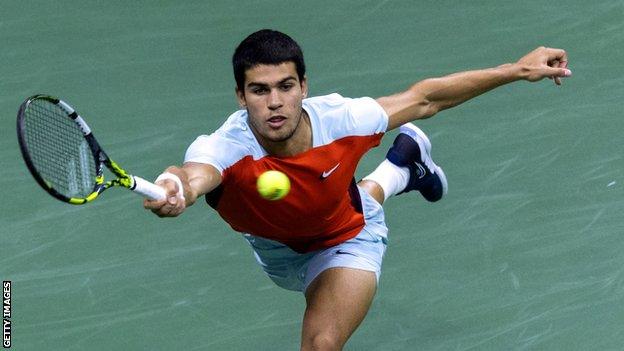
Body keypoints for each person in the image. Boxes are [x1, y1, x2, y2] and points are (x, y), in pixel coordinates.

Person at [144, 29, 570, 350]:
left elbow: (425, 100)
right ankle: (402, 167)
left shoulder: (342, 119)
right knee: (329, 195)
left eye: (285, 86)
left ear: (303, 87)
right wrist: (174, 186)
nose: (274, 102)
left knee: (321, 343)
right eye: (259, 90)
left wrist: (517, 70)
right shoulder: (224, 147)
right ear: (241, 96)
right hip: (277, 252)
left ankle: (397, 170)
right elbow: (192, 174)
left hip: (346, 238)